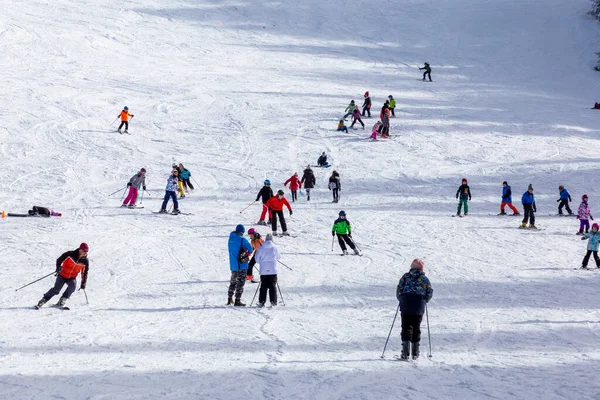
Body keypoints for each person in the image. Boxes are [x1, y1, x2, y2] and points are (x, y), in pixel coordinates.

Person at [396, 259, 433, 360]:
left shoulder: (406, 276)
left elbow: (399, 288)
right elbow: (429, 291)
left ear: (412, 267)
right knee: (416, 327)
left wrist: (401, 299)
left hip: (406, 303)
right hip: (418, 305)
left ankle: (405, 351)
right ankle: (415, 352)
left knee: (405, 326)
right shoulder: (424, 279)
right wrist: (425, 300)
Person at [36, 243, 90, 309]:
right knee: (56, 290)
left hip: (72, 277)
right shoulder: (70, 254)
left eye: (86, 251)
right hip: (62, 275)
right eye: (84, 251)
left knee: (72, 286)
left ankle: (63, 299)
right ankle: (44, 300)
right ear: (80, 249)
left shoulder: (85, 261)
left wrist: (83, 283)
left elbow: (84, 273)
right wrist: (58, 267)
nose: (85, 253)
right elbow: (59, 260)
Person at [227, 224, 253, 306]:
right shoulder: (242, 239)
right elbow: (251, 249)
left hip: (233, 265)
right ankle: (237, 300)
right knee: (240, 283)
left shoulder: (230, 239)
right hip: (242, 265)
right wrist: (246, 252)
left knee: (233, 282)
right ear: (242, 232)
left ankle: (229, 298)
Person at [255, 233, 281, 307]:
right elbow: (279, 257)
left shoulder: (261, 247)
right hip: (273, 270)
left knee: (263, 285)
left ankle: (262, 301)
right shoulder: (274, 247)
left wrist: (261, 263)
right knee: (272, 285)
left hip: (263, 270)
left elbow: (256, 258)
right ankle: (273, 301)